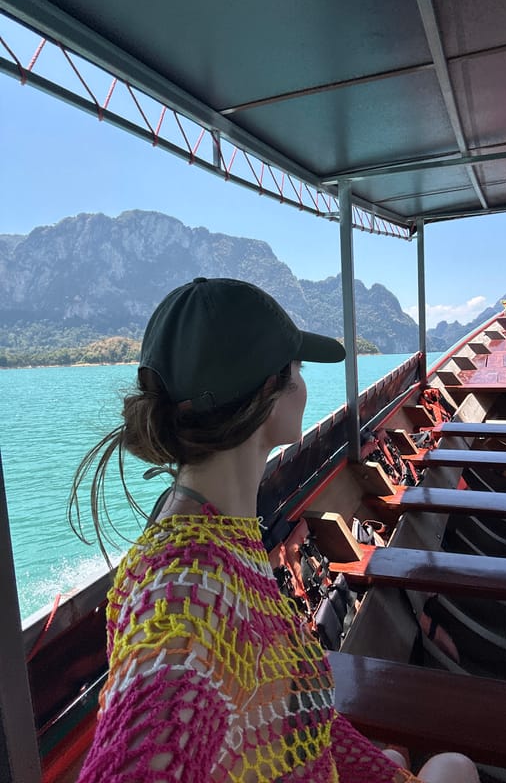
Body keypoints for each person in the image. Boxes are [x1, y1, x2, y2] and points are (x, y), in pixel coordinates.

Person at [70, 277, 479, 783]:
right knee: (455, 770)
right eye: (297, 370)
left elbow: (306, 721)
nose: (304, 384)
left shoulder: (216, 535)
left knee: (425, 765)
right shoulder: (184, 592)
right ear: (269, 392)